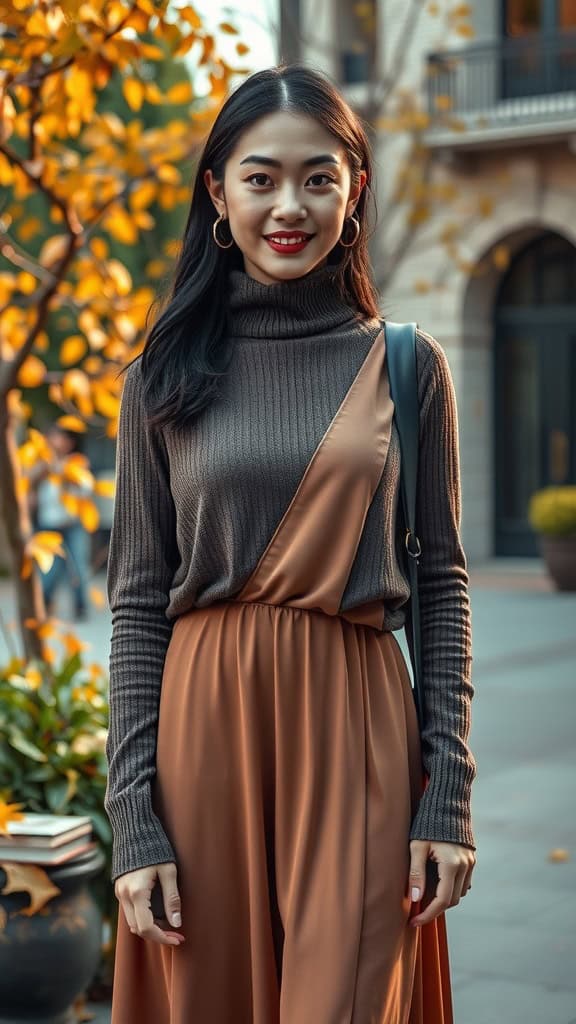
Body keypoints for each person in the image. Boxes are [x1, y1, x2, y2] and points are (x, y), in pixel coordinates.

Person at [104, 63, 477, 1024]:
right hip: (203, 725)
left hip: (356, 719)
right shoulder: (160, 376)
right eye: (260, 177)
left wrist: (448, 797)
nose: (289, 205)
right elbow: (139, 600)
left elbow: (442, 584)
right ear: (218, 195)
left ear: (353, 194)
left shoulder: (406, 364)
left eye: (319, 177)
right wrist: (135, 820)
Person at [28, 424, 91, 621]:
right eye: (53, 437)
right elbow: (29, 490)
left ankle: (81, 607)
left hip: (73, 526)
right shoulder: (41, 465)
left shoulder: (78, 464)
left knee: (78, 568)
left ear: (70, 443)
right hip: (48, 527)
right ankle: (44, 606)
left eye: (59, 437)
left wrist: (65, 474)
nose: (55, 441)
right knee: (48, 573)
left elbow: (85, 491)